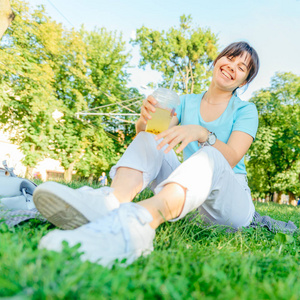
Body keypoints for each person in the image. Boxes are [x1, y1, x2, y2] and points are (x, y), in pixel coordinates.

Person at [33, 41, 260, 267]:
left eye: (241, 67)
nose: (232, 66)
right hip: (189, 197)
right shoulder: (184, 102)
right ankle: (110, 202)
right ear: (217, 60)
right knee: (152, 135)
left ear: (244, 81)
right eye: (230, 58)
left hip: (229, 205)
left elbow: (231, 158)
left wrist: (202, 133)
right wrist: (144, 119)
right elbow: (150, 134)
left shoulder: (245, 110)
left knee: (211, 156)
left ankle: (136, 225)